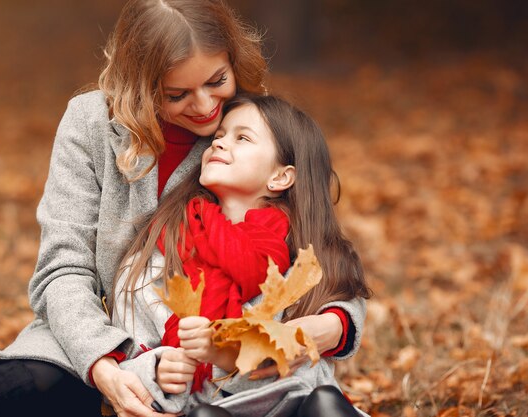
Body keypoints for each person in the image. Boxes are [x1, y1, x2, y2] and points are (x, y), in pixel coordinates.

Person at [0, 1, 365, 416]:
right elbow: (62, 269)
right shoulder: (91, 124)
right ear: (141, 85)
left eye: (216, 81)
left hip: (204, 373)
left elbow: (317, 249)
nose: (206, 108)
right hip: (93, 341)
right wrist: (105, 364)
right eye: (176, 94)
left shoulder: (245, 129)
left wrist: (328, 328)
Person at [109, 94, 371, 417]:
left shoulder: (303, 255)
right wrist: (157, 369)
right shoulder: (164, 256)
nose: (218, 144)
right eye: (218, 137)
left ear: (280, 177)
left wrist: (333, 325)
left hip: (297, 405)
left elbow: (343, 302)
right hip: (211, 409)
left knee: (325, 404)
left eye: (242, 138)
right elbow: (128, 354)